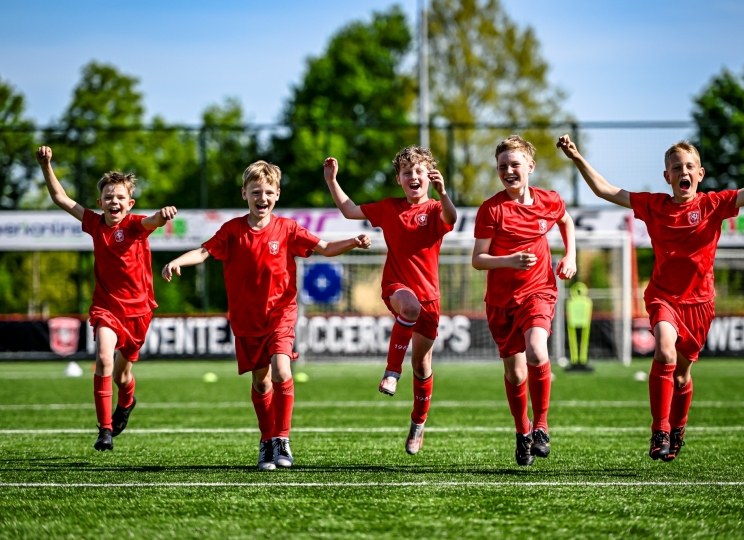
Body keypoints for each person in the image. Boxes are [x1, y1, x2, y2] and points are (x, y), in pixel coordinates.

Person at [556, 132, 744, 461]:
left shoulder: (713, 205)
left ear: (700, 174)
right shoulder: (654, 205)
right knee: (664, 350)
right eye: (676, 167)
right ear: (668, 176)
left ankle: (678, 428)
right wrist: (577, 158)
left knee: (681, 375)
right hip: (664, 297)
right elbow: (607, 189)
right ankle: (659, 430)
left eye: (690, 166)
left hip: (700, 304)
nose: (683, 171)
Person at [162, 160, 370, 471]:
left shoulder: (287, 229)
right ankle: (266, 440)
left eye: (268, 192)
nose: (262, 197)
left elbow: (324, 248)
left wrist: (352, 242)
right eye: (256, 191)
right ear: (244, 194)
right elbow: (204, 252)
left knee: (282, 372)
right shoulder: (232, 230)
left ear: (277, 195)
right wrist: (179, 260)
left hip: (280, 315)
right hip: (247, 321)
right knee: (261, 384)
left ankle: (282, 440)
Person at [36, 145, 177, 452]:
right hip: (106, 309)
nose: (114, 201)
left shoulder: (135, 225)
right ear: (100, 202)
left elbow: (151, 221)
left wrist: (162, 216)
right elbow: (61, 199)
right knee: (102, 360)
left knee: (123, 375)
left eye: (120, 197)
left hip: (139, 312)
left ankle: (126, 404)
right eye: (108, 197)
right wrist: (46, 165)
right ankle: (105, 430)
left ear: (130, 204)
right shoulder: (94, 223)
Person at [323, 146, 457, 455]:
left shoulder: (436, 208)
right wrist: (332, 180)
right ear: (398, 179)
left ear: (429, 177)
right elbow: (349, 209)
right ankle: (391, 372)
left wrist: (445, 193)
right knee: (409, 307)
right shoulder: (389, 207)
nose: (413, 177)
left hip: (430, 298)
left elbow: (452, 217)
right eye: (407, 172)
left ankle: (418, 425)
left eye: (419, 172)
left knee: (422, 364)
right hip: (397, 287)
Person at [472, 134, 577, 466]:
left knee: (537, 349)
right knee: (516, 374)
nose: (509, 171)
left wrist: (570, 255)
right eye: (503, 166)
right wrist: (509, 260)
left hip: (539, 293)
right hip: (501, 302)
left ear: (530, 166)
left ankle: (542, 426)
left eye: (515, 164)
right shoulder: (491, 209)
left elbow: (565, 220)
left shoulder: (549, 200)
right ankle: (523, 432)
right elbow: (478, 259)